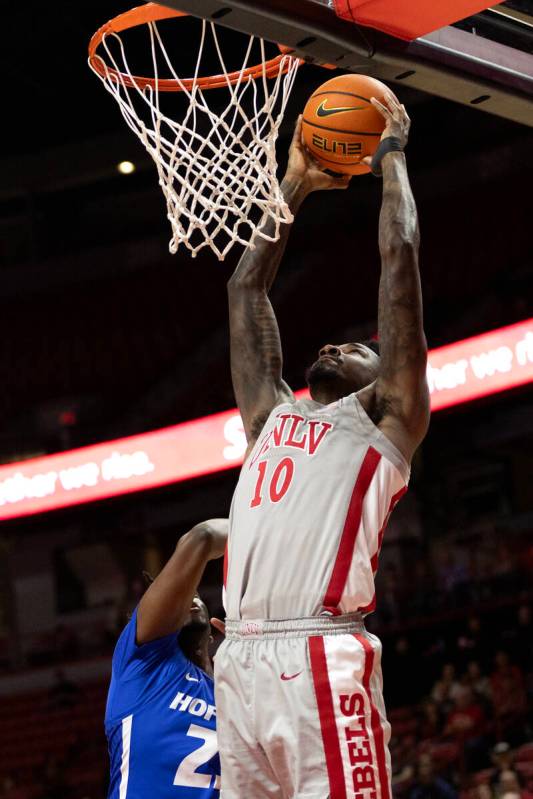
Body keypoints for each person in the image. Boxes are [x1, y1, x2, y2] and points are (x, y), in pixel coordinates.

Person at [217, 92, 430, 797]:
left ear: (386, 373)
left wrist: (389, 157)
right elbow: (245, 290)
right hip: (238, 661)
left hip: (317, 650)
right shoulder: (269, 419)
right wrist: (294, 184)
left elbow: (397, 257)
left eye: (361, 346)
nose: (340, 342)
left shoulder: (387, 419)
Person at [106, 519, 227, 799]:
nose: (189, 597)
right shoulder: (142, 664)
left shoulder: (235, 693)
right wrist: (268, 527)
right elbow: (202, 537)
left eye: (195, 593)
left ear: (212, 634)